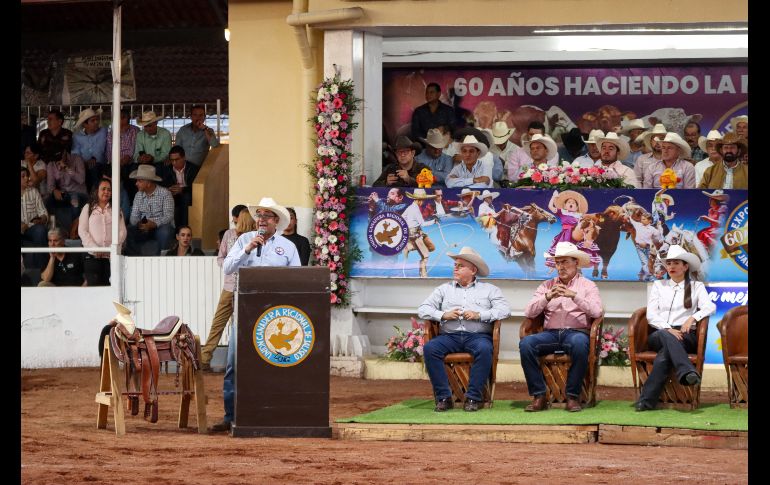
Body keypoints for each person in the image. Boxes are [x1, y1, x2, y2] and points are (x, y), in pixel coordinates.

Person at [209, 197, 301, 433]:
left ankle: (272, 414)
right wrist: (247, 250)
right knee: (234, 365)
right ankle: (231, 416)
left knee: (272, 364)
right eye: (259, 215)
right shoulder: (243, 240)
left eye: (266, 216)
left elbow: (297, 280)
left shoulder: (288, 247)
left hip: (274, 314)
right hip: (244, 311)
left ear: (276, 221)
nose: (261, 220)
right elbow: (228, 267)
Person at [418, 246, 510, 412]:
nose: (455, 267)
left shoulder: (490, 290)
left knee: (484, 348)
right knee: (431, 348)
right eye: (455, 264)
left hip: (478, 336)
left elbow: (504, 310)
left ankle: (474, 398)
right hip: (450, 337)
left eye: (460, 265)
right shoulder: (444, 289)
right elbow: (423, 309)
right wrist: (443, 315)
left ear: (473, 270)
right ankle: (444, 397)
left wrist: (479, 314)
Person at [520, 242, 603, 412]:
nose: (561, 267)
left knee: (580, 343)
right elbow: (529, 312)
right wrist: (547, 297)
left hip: (576, 333)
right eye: (558, 263)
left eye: (565, 262)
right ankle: (539, 396)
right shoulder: (546, 286)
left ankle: (572, 397)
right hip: (550, 334)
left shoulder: (588, 286)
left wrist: (574, 296)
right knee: (526, 344)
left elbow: (597, 312)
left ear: (576, 263)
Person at [634, 245, 716, 412]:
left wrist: (692, 318)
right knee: (666, 337)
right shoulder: (659, 285)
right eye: (669, 263)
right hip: (660, 333)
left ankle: (646, 401)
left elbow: (709, 307)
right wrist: (667, 329)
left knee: (665, 356)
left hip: (686, 335)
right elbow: (651, 315)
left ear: (685, 266)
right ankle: (686, 370)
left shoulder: (696, 287)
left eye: (676, 263)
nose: (671, 266)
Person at [200, 207, 256, 370]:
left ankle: (234, 361)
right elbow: (221, 257)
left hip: (243, 288)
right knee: (222, 322)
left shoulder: (254, 237)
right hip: (233, 286)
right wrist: (229, 267)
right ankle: (205, 358)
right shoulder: (229, 235)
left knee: (235, 324)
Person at [78, 177, 127, 286]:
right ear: (96, 191)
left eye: (109, 190)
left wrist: (113, 248)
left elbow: (122, 231)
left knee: (111, 289)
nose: (106, 192)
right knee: (95, 290)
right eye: (103, 189)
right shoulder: (88, 208)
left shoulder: (116, 209)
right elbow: (82, 231)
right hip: (93, 257)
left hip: (111, 257)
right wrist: (95, 248)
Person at [126, 164, 175, 255]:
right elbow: (133, 219)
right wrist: (140, 223)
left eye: (139, 181)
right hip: (144, 228)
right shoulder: (138, 195)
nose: (136, 183)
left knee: (165, 231)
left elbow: (169, 216)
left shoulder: (165, 193)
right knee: (129, 230)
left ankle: (163, 258)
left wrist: (154, 224)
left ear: (148, 183)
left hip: (161, 226)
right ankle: (136, 258)